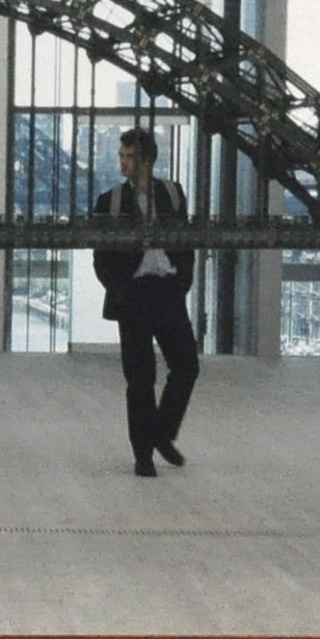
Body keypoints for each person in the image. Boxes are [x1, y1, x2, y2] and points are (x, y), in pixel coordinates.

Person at [91, 123, 199, 477]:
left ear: (147, 161)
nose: (123, 163)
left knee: (186, 365)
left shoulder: (173, 194)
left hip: (168, 291)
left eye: (129, 157)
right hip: (134, 295)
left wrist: (182, 282)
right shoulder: (109, 202)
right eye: (121, 156)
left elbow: (185, 242)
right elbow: (101, 257)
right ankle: (144, 455)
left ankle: (160, 434)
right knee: (140, 378)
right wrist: (120, 289)